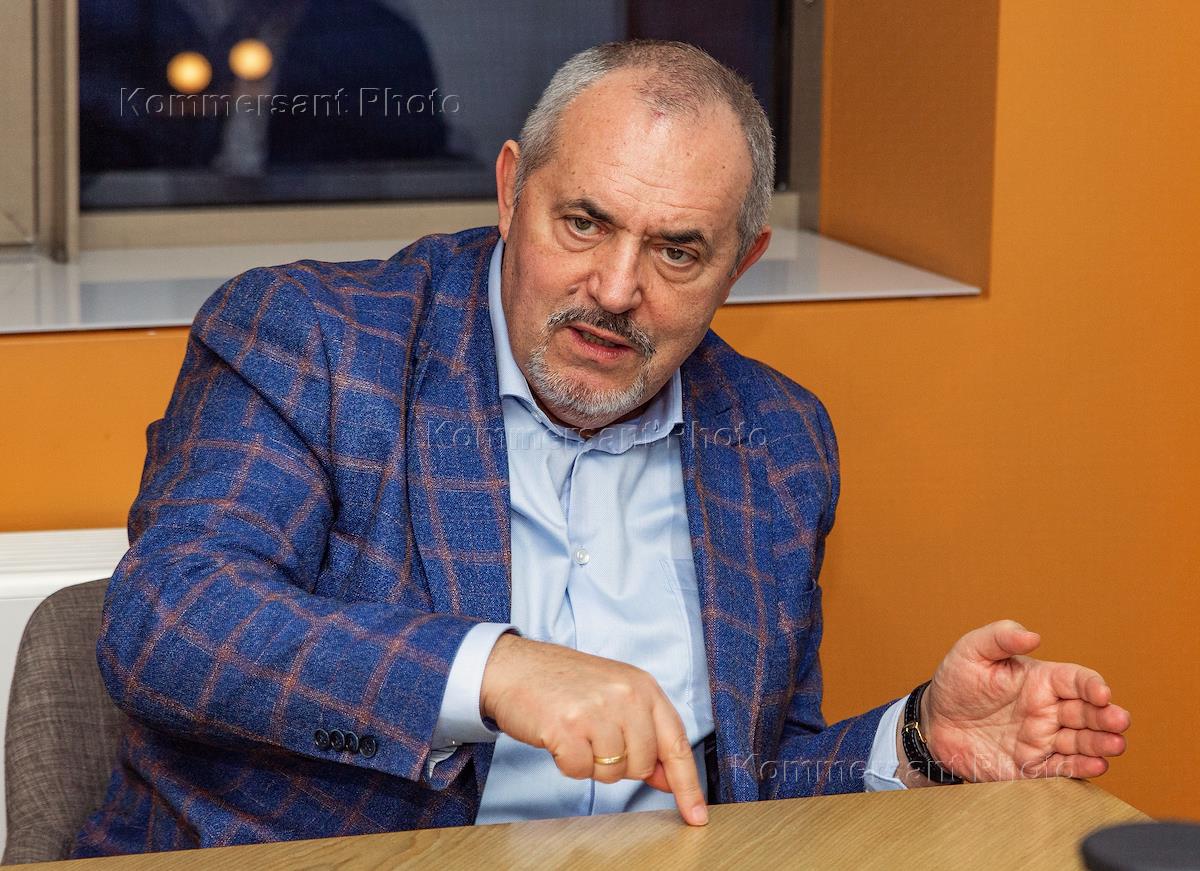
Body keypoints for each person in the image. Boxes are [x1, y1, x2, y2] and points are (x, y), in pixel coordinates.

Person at [73, 41, 1130, 857]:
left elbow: (742, 782)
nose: (618, 290)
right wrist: (496, 669)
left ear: (742, 262)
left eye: (678, 251)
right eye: (583, 223)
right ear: (509, 191)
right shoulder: (314, 339)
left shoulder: (777, 441)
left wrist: (916, 740)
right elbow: (171, 620)